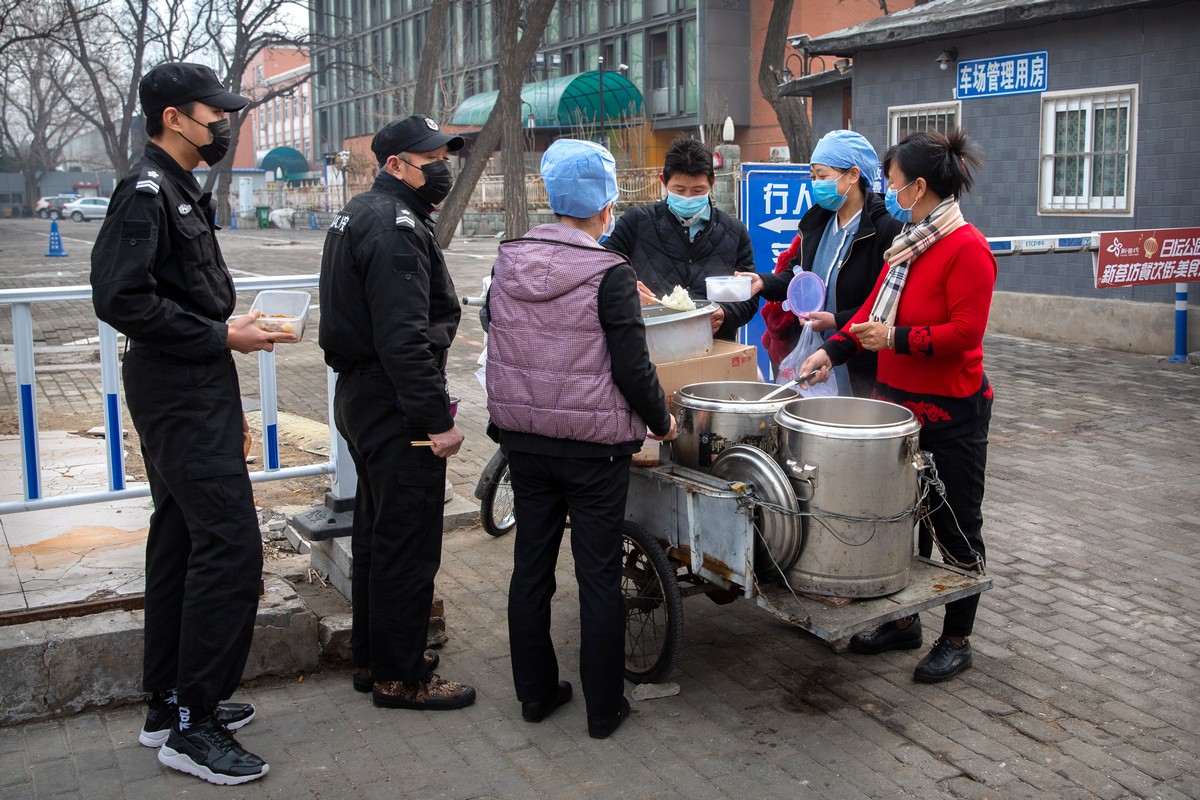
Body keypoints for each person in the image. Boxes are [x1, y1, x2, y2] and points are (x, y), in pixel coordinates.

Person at [91, 62, 291, 785]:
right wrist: (217, 337)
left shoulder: (178, 188)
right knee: (231, 547)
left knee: (180, 538)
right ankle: (194, 727)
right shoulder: (145, 191)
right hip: (176, 387)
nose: (224, 128)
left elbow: (175, 292)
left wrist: (225, 326)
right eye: (215, 117)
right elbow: (119, 298)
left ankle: (168, 703)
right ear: (174, 118)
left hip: (192, 382)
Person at [487, 139, 677, 739]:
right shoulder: (609, 272)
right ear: (602, 208)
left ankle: (536, 695)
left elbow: (499, 329)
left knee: (531, 570)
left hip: (525, 440)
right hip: (595, 449)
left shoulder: (508, 258)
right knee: (597, 576)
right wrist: (663, 422)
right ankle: (603, 708)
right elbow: (632, 367)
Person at [799, 129, 995, 683]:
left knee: (955, 522)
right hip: (899, 406)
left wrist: (898, 339)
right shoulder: (908, 245)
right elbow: (867, 312)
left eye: (892, 181)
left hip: (952, 410)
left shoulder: (966, 248)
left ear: (919, 185)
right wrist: (832, 352)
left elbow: (965, 332)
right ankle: (904, 621)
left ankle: (957, 637)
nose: (888, 190)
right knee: (901, 517)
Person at [318, 115, 475, 711]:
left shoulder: (362, 213)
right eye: (430, 158)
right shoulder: (395, 225)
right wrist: (437, 419)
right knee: (407, 541)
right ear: (395, 165)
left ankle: (375, 656)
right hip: (393, 399)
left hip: (362, 395)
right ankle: (401, 678)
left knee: (378, 531)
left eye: (444, 156)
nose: (442, 168)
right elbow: (403, 337)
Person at [739, 129, 901, 395]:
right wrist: (762, 282)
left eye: (823, 176)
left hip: (861, 364)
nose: (816, 184)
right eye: (813, 177)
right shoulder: (818, 221)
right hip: (815, 357)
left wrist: (836, 320)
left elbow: (885, 305)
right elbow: (798, 276)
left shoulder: (885, 229)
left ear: (853, 175)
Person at [604, 137, 757, 340]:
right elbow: (601, 269)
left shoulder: (734, 231)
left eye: (697, 190)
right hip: (649, 346)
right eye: (679, 190)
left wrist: (725, 314)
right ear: (663, 181)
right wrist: (626, 287)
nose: (687, 198)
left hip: (714, 348)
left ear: (712, 182)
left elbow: (749, 297)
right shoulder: (636, 222)